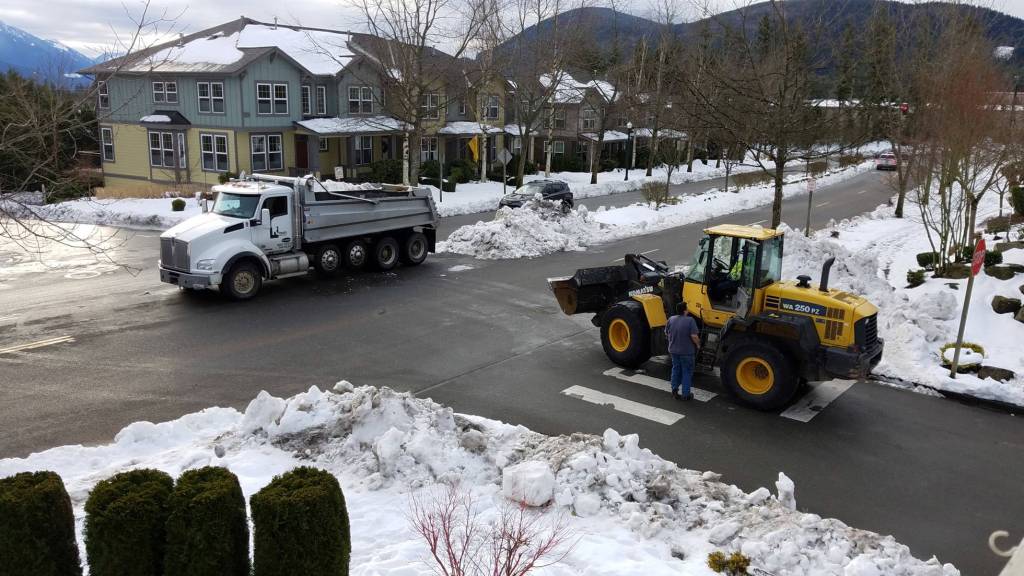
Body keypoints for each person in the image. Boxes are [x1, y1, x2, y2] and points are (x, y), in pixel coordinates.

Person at [665, 302, 701, 401]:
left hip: (673, 351)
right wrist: (698, 345)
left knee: (676, 369)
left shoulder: (671, 319)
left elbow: (667, 333)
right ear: (685, 310)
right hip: (687, 352)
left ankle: (674, 390)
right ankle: (686, 394)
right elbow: (694, 336)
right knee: (687, 372)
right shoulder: (690, 320)